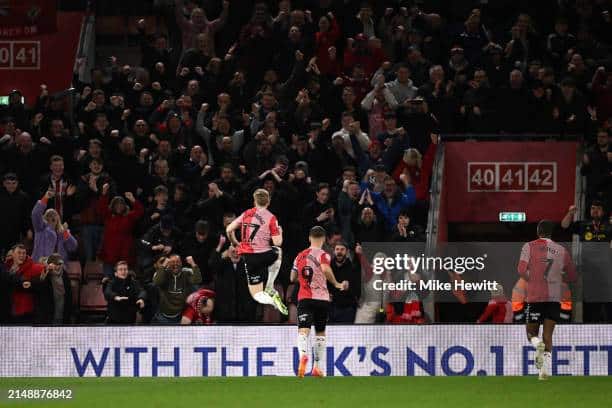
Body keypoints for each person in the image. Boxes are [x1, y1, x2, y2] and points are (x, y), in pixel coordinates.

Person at [517, 220, 576, 380]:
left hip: (535, 297)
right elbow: (572, 276)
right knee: (548, 335)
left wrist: (532, 279)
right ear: (552, 233)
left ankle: (537, 345)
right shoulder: (562, 250)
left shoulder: (528, 246)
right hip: (554, 298)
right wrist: (559, 277)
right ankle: (544, 372)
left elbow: (521, 270)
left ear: (538, 231)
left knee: (531, 334)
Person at [291, 226, 348, 377]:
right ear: (323, 239)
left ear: (309, 238)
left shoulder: (299, 256)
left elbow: (292, 277)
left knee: (303, 330)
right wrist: (336, 283)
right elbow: (325, 269)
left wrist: (304, 280)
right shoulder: (324, 254)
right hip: (322, 298)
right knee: (320, 332)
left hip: (304, 298)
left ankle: (303, 356)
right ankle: (317, 367)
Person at [226, 188, 287, 315]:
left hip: (249, 258)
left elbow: (229, 229)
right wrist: (280, 233)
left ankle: (272, 301)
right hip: (265, 255)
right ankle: (270, 286)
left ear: (254, 201)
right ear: (268, 202)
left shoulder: (246, 213)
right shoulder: (271, 217)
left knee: (257, 295)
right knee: (278, 251)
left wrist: (235, 243)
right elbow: (277, 242)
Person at [31, 189, 78, 264]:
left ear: (58, 218)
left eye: (54, 215)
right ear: (44, 218)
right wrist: (45, 198)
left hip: (58, 267)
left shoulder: (63, 232)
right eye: (49, 215)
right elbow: (35, 214)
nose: (52, 217)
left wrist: (65, 232)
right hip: (41, 264)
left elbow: (73, 247)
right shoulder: (40, 228)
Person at [152, 254, 201, 324]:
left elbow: (197, 280)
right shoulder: (162, 273)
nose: (175, 264)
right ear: (168, 263)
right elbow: (157, 282)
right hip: (163, 317)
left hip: (180, 316)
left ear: (181, 263)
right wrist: (164, 265)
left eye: (178, 261)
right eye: (172, 262)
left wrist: (193, 263)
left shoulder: (186, 272)